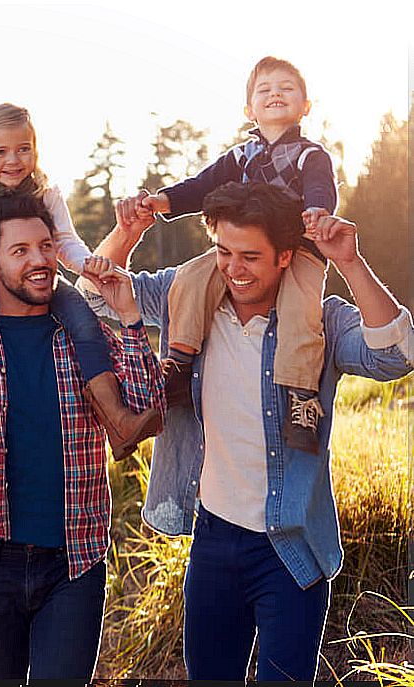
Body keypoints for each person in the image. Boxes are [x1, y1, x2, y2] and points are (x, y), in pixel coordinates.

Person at [90, 181, 414, 682]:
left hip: (289, 547)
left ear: (286, 256)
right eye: (222, 252)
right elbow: (96, 300)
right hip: (213, 541)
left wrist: (349, 262)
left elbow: (396, 356)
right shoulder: (188, 301)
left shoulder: (319, 320)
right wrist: (125, 234)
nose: (233, 269)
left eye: (250, 257)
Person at [0, 193, 164, 682]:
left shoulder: (81, 336)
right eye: (20, 251)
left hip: (76, 562)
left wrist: (129, 316)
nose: (40, 260)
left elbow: (148, 404)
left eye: (46, 246)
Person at [119, 56, 338, 453]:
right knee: (189, 279)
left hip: (298, 247)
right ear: (248, 109)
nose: (275, 94)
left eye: (287, 88)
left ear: (305, 105)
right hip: (241, 249)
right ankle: (180, 366)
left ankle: (301, 397)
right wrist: (163, 200)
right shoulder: (241, 156)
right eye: (264, 90)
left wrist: (318, 211)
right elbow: (202, 186)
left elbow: (322, 189)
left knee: (301, 309)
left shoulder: (311, 155)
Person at [0, 103, 160, 471]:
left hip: (41, 277)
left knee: (83, 319)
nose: (14, 160)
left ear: (36, 149)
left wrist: (87, 265)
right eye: (0, 151)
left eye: (24, 148)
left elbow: (65, 240)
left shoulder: (45, 191)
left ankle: (117, 419)